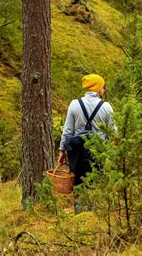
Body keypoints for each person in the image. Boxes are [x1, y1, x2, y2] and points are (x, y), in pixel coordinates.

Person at [57, 74, 113, 213]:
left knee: (78, 183)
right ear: (98, 88)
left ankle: (80, 213)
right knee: (96, 181)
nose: (104, 90)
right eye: (103, 87)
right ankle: (94, 213)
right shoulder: (106, 106)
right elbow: (113, 132)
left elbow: (68, 130)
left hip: (77, 152)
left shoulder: (74, 104)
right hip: (98, 151)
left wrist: (62, 150)